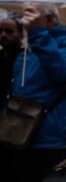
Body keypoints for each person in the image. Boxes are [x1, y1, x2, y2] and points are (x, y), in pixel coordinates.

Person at [0, 3, 66, 182]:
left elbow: (63, 71)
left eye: (32, 16)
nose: (25, 20)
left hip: (52, 143)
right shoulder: (27, 48)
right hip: (20, 138)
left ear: (49, 19)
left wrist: (38, 33)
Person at [0, 16, 24, 182]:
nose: (3, 35)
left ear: (20, 34)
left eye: (9, 31)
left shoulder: (26, 58)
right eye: (0, 31)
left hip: (19, 122)